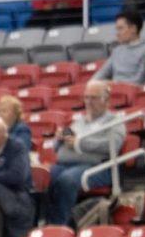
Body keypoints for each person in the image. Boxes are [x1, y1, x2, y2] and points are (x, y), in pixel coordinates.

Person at [45, 81, 126, 225]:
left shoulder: (115, 121)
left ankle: (60, 226)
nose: (89, 102)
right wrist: (59, 138)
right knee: (44, 178)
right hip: (64, 164)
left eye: (93, 98)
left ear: (106, 100)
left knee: (67, 180)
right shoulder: (79, 121)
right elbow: (58, 148)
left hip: (96, 167)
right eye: (86, 97)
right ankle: (44, 223)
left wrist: (79, 142)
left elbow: (112, 144)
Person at [93, 11, 145, 84]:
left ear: (133, 29)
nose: (117, 33)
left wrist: (114, 84)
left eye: (120, 28)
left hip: (132, 92)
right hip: (113, 90)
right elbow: (101, 74)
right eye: (117, 29)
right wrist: (92, 84)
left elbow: (140, 80)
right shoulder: (117, 51)